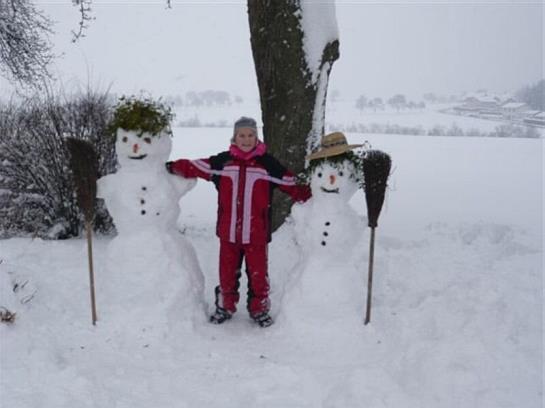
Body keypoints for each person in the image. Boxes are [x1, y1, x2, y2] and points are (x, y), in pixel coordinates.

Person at [166, 117, 311, 327]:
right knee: (227, 274)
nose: (246, 139)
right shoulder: (223, 163)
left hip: (257, 234)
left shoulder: (267, 165)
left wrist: (317, 193)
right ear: (234, 137)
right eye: (241, 135)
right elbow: (196, 166)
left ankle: (259, 310)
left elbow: (291, 183)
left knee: (258, 276)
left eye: (250, 135)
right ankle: (225, 306)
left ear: (256, 137)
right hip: (229, 233)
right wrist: (171, 167)